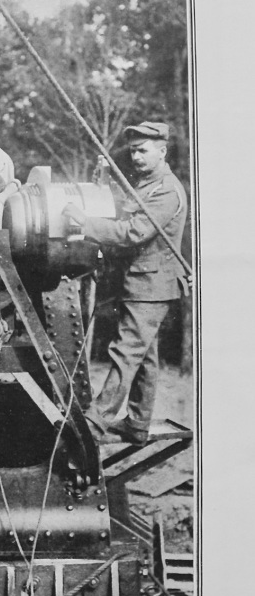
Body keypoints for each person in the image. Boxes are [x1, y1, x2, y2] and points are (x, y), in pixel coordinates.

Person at [62, 121, 188, 446]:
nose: (136, 157)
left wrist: (85, 222)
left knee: (125, 353)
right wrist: (104, 181)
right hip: (142, 284)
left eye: (143, 150)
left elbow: (134, 232)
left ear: (162, 151)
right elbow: (125, 209)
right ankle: (137, 424)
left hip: (151, 287)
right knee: (144, 356)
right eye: (133, 150)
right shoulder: (146, 185)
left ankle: (93, 425)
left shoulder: (167, 191)